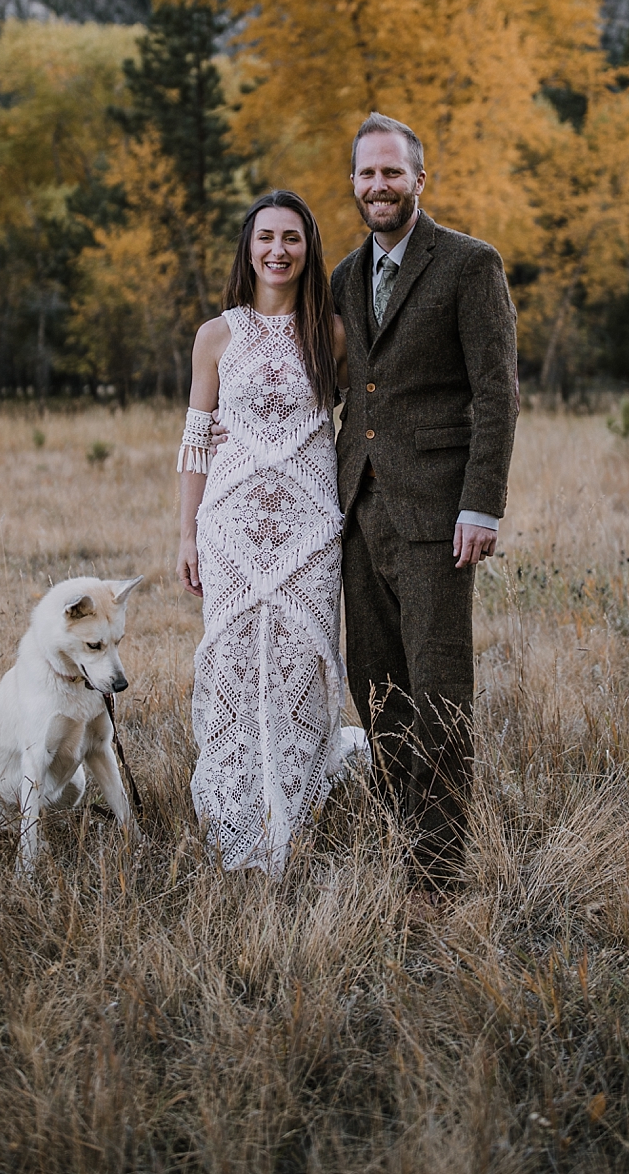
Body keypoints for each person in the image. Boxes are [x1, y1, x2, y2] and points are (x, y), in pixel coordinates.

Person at [332, 113, 519, 893]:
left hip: (440, 517)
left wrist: (481, 504)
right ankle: (398, 833)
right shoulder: (343, 276)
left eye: (392, 173)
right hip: (356, 509)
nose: (379, 186)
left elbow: (496, 393)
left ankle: (438, 873)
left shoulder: (469, 264)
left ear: (418, 179)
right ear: (353, 184)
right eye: (366, 174)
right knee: (374, 686)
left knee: (438, 688)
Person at [176, 190, 354, 875]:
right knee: (233, 662)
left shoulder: (332, 334)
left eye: (291, 238)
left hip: (309, 533)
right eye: (265, 238)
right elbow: (195, 440)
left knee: (299, 661)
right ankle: (233, 805)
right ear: (248, 249)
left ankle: (296, 803)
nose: (277, 250)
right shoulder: (216, 335)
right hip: (230, 530)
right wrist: (187, 534)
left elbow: (359, 422)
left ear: (308, 250)